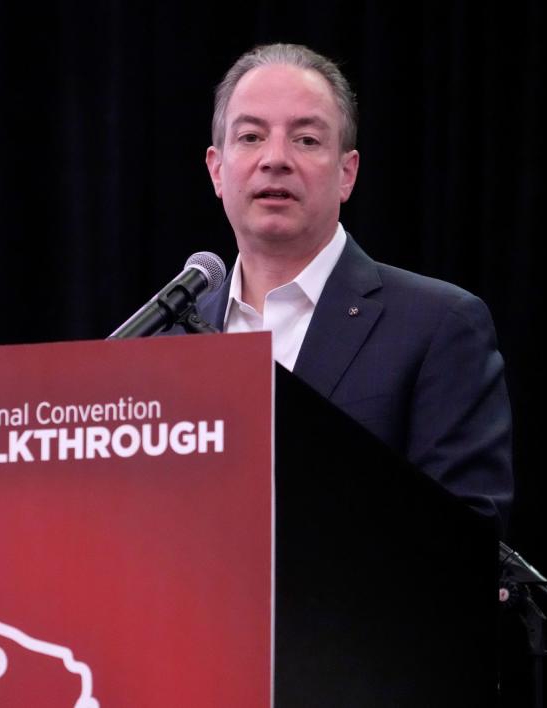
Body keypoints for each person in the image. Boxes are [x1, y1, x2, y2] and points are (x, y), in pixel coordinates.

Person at [183, 43, 513, 532]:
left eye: (308, 140)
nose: (275, 159)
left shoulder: (438, 326)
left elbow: (464, 548)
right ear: (217, 169)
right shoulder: (163, 344)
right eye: (250, 136)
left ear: (347, 172)